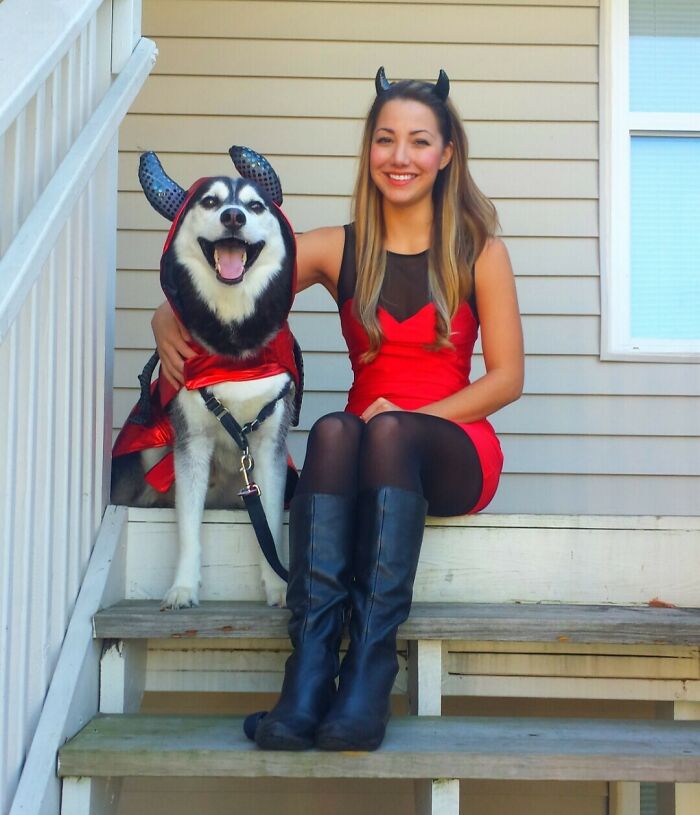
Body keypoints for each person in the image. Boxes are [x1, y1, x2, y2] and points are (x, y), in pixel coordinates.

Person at [151, 67, 524, 751]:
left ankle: (369, 674)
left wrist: (411, 417)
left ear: (446, 154)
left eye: (418, 141)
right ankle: (309, 676)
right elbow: (230, 282)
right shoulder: (336, 247)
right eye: (385, 140)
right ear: (369, 151)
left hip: (455, 445)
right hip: (358, 449)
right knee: (330, 427)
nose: (400, 156)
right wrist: (163, 316)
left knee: (377, 429)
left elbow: (507, 380)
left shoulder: (480, 250)